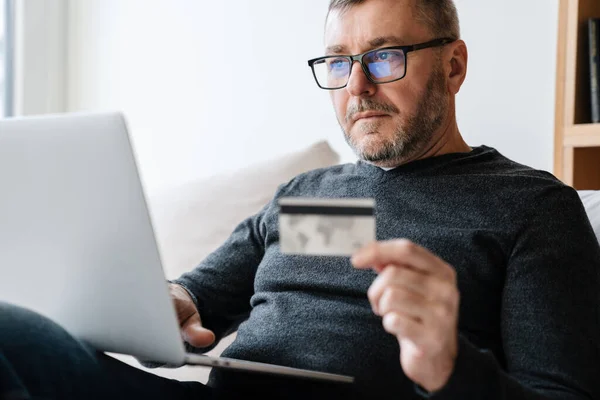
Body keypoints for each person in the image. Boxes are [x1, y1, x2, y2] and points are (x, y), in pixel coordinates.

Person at [1, 0, 599, 399]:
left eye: (384, 58)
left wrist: (450, 364)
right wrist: (168, 303)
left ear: (454, 65)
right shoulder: (315, 196)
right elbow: (197, 298)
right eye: (339, 63)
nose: (357, 87)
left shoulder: (530, 209)